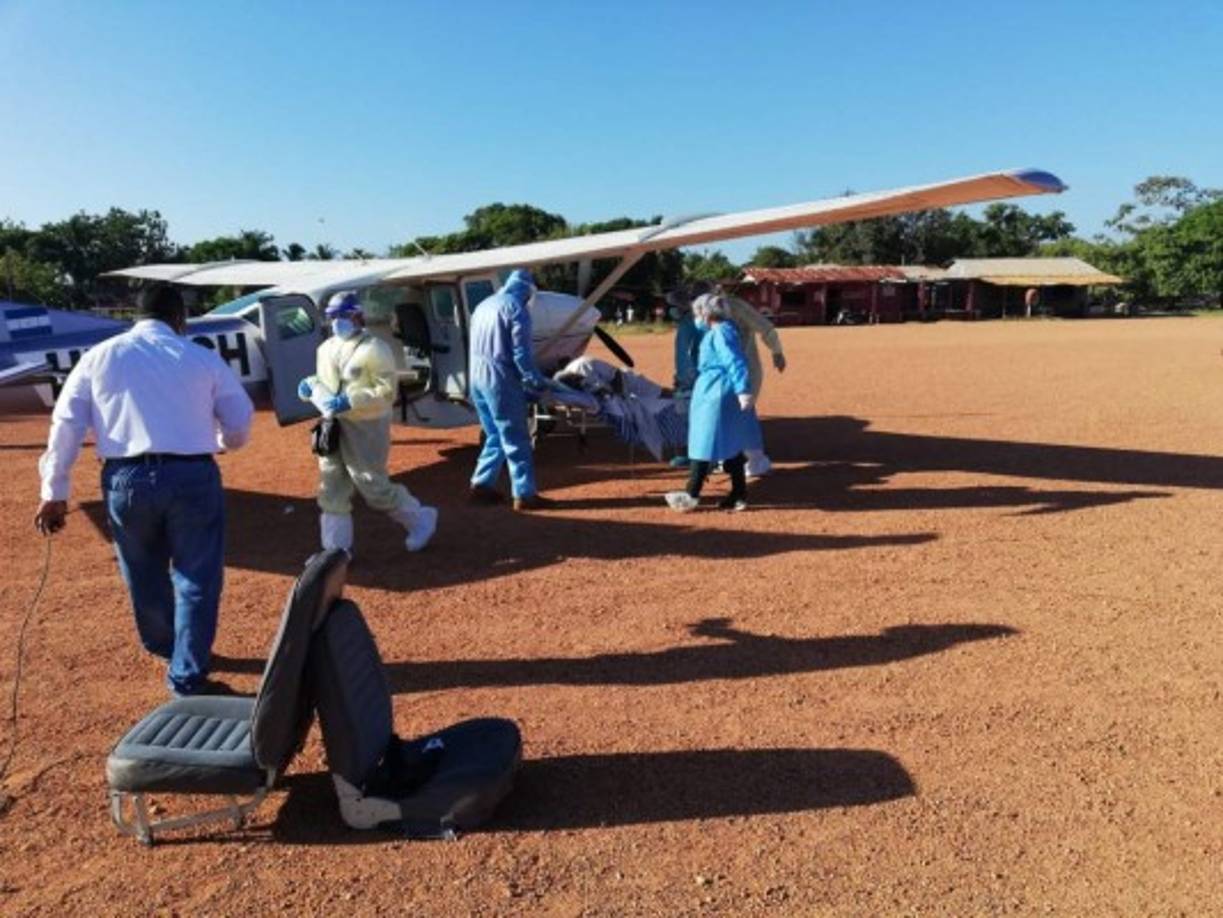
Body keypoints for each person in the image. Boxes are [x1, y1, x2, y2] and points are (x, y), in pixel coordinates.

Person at [34, 285, 254, 697]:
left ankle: (163, 644)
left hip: (125, 478)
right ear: (179, 318)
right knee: (197, 577)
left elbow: (66, 424)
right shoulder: (202, 357)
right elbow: (239, 421)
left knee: (142, 571)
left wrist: (55, 489)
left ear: (136, 316)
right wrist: (223, 441)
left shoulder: (98, 357)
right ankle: (187, 673)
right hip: (192, 475)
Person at [298, 292, 437, 555]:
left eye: (343, 315)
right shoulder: (325, 349)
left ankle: (420, 519)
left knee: (373, 485)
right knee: (331, 487)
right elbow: (325, 381)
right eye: (333, 316)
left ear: (358, 316)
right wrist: (310, 386)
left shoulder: (375, 349)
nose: (337, 321)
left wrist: (351, 400)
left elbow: (386, 391)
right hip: (333, 424)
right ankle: (335, 551)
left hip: (366, 425)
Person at [467, 268, 551, 511]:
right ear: (527, 291)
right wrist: (536, 381)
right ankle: (524, 494)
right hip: (500, 380)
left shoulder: (483, 305)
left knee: (494, 433)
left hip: (476, 376)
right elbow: (521, 355)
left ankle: (481, 484)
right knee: (516, 437)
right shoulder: (517, 309)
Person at [665, 294, 753, 512]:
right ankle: (738, 493)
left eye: (697, 312)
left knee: (703, 441)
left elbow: (734, 360)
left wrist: (742, 389)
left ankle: (692, 494)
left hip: (716, 390)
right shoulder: (719, 330)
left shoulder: (721, 331)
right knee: (728, 442)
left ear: (705, 312)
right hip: (713, 388)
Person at [722, 293, 786, 478]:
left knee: (738, 414)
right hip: (728, 372)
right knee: (733, 415)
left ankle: (744, 457)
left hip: (737, 371)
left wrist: (777, 351)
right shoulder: (724, 309)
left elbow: (765, 328)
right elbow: (765, 328)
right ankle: (736, 457)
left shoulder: (734, 307)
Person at [664, 284, 707, 468]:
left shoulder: (692, 324)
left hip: (693, 379)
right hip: (694, 377)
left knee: (688, 417)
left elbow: (686, 354)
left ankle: (694, 454)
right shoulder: (693, 322)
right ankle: (694, 453)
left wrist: (685, 379)